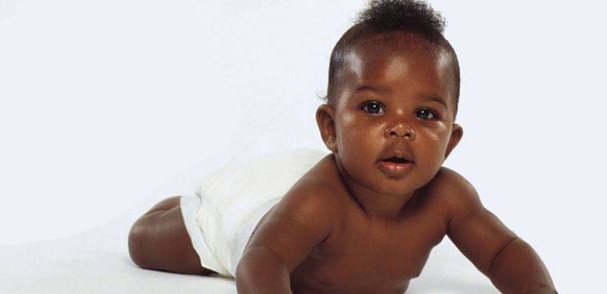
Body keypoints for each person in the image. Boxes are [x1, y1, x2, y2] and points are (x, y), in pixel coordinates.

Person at [128, 1, 557, 293]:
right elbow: (263, 259)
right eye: (374, 107)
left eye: (425, 115)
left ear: (450, 142)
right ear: (331, 128)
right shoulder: (321, 201)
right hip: (248, 223)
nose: (400, 129)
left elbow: (503, 250)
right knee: (147, 244)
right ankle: (187, 205)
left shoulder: (448, 198)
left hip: (293, 197)